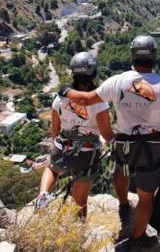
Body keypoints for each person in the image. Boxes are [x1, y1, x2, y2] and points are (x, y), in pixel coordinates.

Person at [60, 35, 160, 251]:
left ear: (132, 55)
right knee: (146, 199)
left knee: (121, 170)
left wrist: (66, 91)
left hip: (123, 142)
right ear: (154, 56)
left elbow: (86, 99)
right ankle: (136, 240)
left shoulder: (117, 81)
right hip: (151, 146)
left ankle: (124, 204)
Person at [36, 52, 115, 218]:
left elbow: (55, 128)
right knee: (80, 201)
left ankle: (43, 195)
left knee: (52, 168)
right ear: (93, 73)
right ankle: (78, 229)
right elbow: (107, 134)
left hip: (62, 146)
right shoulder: (99, 102)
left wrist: (54, 148)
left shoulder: (60, 98)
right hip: (86, 155)